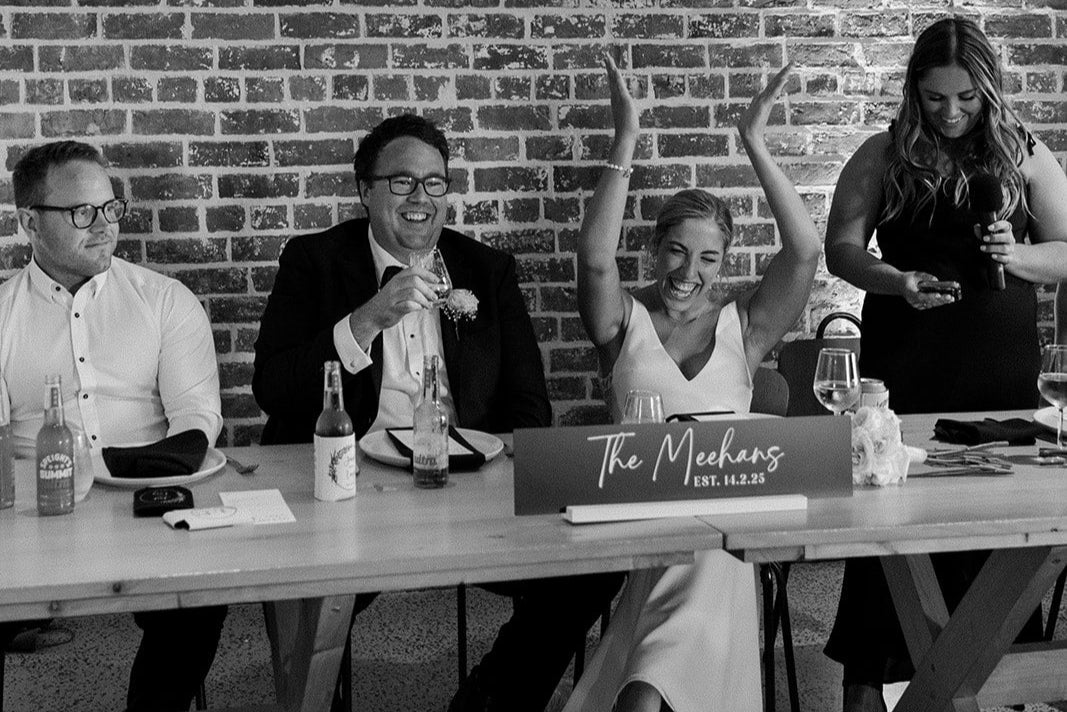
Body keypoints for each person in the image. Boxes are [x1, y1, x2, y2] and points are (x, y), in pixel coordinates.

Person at [252, 113, 623, 712]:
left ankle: (491, 700)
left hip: (464, 481)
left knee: (591, 564)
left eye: (435, 182)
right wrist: (367, 318)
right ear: (365, 190)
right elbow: (272, 386)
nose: (420, 198)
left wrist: (485, 457)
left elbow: (529, 405)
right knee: (314, 604)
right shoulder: (313, 261)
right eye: (400, 182)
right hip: (350, 488)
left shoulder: (486, 270)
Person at [822, 17, 1067, 711]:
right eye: (934, 99)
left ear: (988, 92)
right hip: (905, 382)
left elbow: (1066, 250)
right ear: (912, 91)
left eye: (965, 98)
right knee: (884, 558)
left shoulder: (1024, 154)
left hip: (1001, 386)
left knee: (991, 553)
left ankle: (980, 692)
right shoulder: (881, 154)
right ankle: (866, 693)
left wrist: (1014, 257)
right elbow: (841, 249)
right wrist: (895, 281)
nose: (951, 112)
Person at [562, 57, 819, 712]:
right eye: (676, 250)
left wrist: (754, 142)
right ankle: (649, 692)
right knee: (700, 556)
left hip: (725, 517)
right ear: (654, 249)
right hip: (641, 514)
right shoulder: (622, 320)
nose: (688, 271)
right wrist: (624, 140)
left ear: (724, 264)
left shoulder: (746, 327)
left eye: (708, 258)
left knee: (713, 551)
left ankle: (643, 693)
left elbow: (805, 253)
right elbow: (592, 257)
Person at [0, 140, 226, 712]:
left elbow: (197, 418)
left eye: (110, 208)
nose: (104, 226)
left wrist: (150, 473)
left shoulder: (165, 301)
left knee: (200, 601)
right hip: (32, 514)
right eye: (81, 213)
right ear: (29, 221)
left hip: (148, 506)